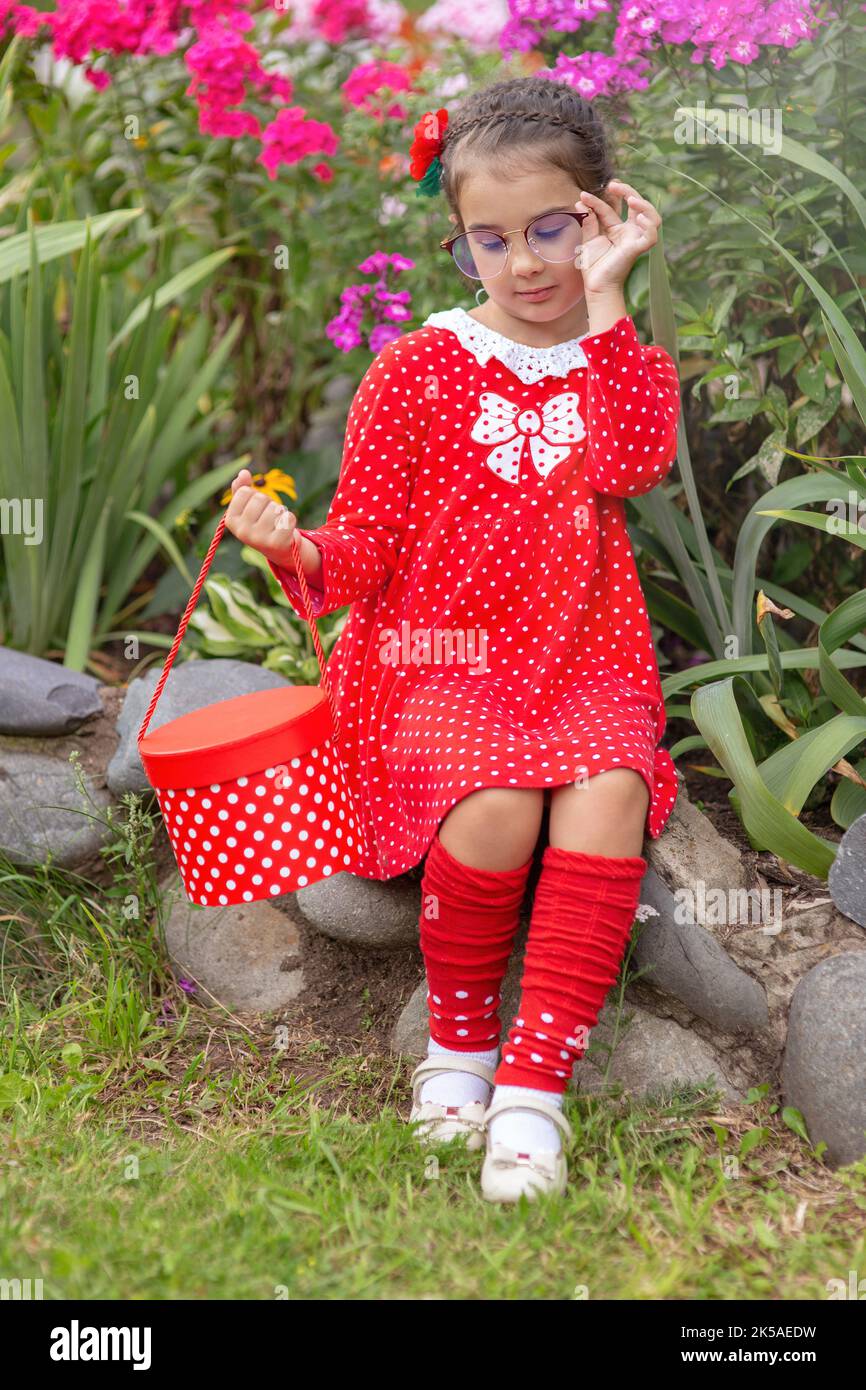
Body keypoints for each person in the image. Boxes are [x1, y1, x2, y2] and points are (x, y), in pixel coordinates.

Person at [223, 75, 681, 1203]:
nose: (525, 262)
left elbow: (632, 462)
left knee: (607, 790)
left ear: (599, 215)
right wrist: (299, 546)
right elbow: (369, 546)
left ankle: (533, 1090)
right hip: (439, 667)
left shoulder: (615, 358)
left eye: (552, 230)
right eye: (492, 238)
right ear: (459, 243)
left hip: (582, 659)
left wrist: (610, 293)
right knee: (490, 803)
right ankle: (460, 1049)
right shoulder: (418, 368)